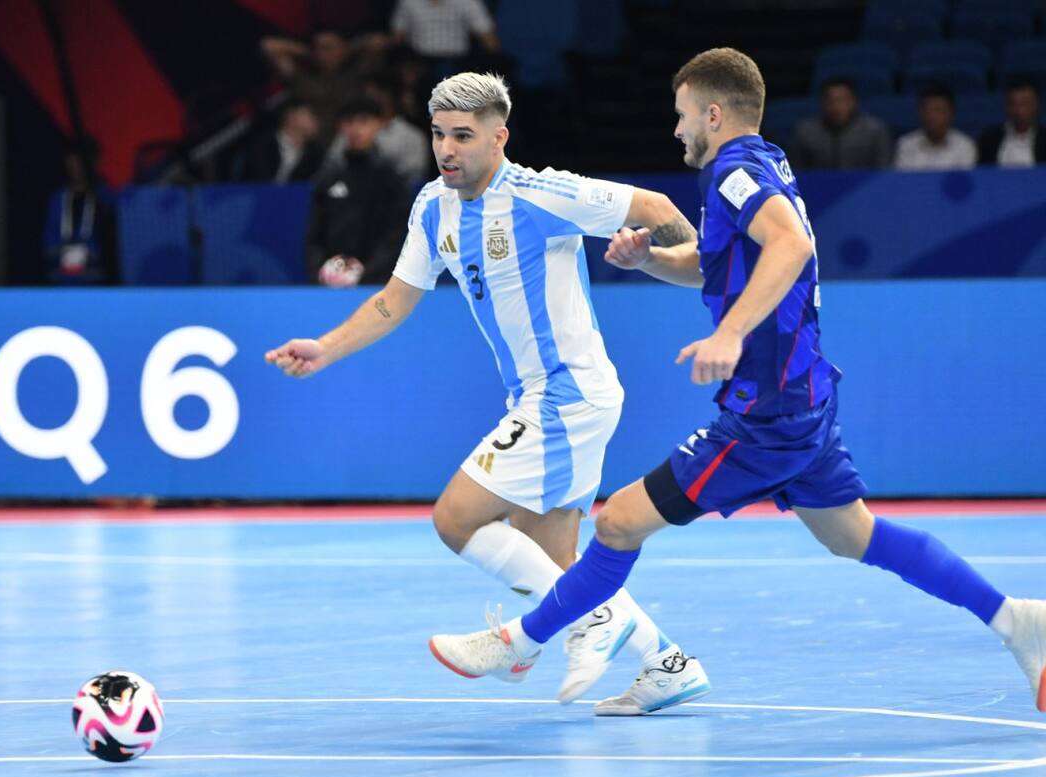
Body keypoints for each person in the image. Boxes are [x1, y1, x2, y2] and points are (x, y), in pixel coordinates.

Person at [430, 48, 1046, 717]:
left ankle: (519, 643)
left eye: (682, 115)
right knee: (852, 535)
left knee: (618, 524)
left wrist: (728, 334)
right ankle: (1016, 619)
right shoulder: (764, 162)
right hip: (804, 397)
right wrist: (649, 259)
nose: (677, 129)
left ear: (714, 114)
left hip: (767, 414)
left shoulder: (732, 170)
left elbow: (791, 246)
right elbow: (715, 263)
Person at [266, 72, 708, 705]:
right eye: (438, 134)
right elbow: (395, 300)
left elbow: (657, 208)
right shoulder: (432, 206)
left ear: (499, 137)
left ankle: (595, 621)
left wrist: (707, 270)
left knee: (456, 518)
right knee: (552, 561)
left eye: (463, 136)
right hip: (544, 397)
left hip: (566, 394)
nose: (447, 149)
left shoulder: (539, 193)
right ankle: (668, 664)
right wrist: (326, 347)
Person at [304, 97, 410, 286]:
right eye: (349, 122)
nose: (356, 129)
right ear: (341, 127)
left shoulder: (391, 179)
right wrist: (321, 271)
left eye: (364, 121)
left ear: (379, 124)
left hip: (378, 283)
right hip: (331, 283)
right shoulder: (329, 178)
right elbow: (315, 235)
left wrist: (366, 273)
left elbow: (396, 235)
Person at [41, 136, 119, 285]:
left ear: (96, 162)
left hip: (96, 286)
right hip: (60, 286)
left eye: (82, 159)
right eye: (72, 159)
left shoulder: (108, 199)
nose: (76, 164)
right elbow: (49, 242)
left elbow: (110, 247)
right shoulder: (56, 200)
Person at [788, 77, 890, 169]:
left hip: (867, 183)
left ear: (854, 101)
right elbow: (795, 171)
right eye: (830, 100)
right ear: (822, 103)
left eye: (842, 100)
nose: (836, 106)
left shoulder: (874, 130)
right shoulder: (805, 132)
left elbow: (883, 171)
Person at [229, 98, 324, 184]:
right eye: (311, 116)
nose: (316, 121)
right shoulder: (263, 144)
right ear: (291, 116)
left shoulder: (315, 153)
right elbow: (256, 179)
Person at [893, 86, 977, 171]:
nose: (932, 116)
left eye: (938, 110)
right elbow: (903, 178)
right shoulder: (906, 145)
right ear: (920, 113)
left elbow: (964, 178)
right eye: (928, 111)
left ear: (951, 113)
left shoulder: (965, 145)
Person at [978, 79, 1045, 167]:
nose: (1019, 111)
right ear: (1006, 106)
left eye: (1025, 104)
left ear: (1036, 105)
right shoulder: (989, 140)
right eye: (1013, 104)